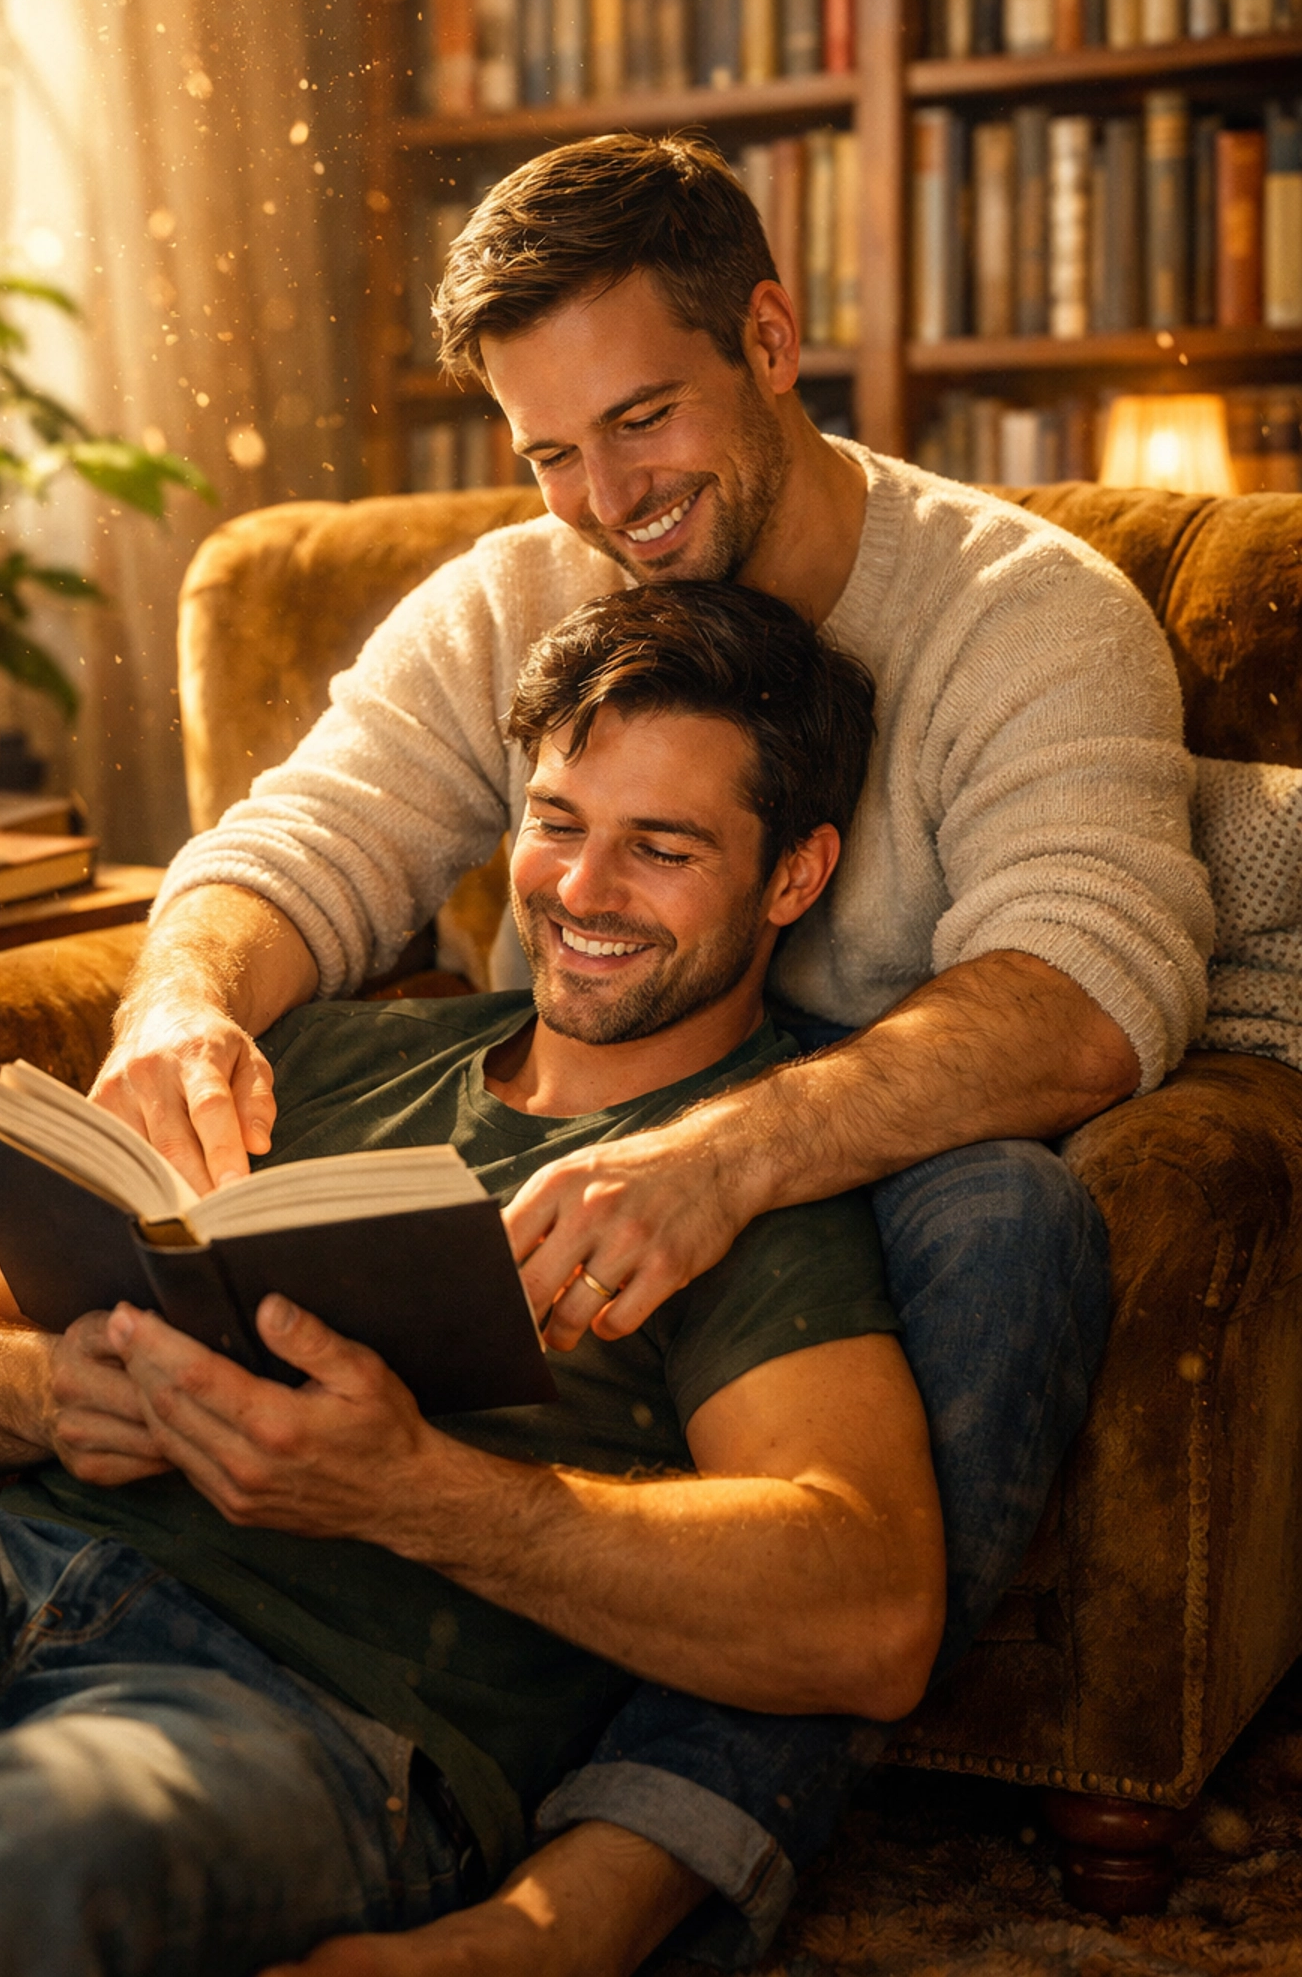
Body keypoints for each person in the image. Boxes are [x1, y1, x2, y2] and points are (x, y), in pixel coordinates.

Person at [79, 133, 1207, 1960]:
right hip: (584, 1164)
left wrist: (729, 1151)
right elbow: (300, 843)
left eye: (641, 420)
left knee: (1011, 1217)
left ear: (769, 336)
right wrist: (181, 1003)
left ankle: (594, 1905)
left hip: (871, 1186)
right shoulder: (520, 592)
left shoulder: (1027, 613)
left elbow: (1088, 985)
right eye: (548, 452)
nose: (604, 502)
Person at [0, 586, 942, 1977]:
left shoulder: (746, 1184)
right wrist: (47, 1389)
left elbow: (870, 1609)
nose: (579, 891)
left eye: (662, 848)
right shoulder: (325, 1052)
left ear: (795, 878)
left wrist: (412, 1492)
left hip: (275, 1716)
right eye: (557, 823)